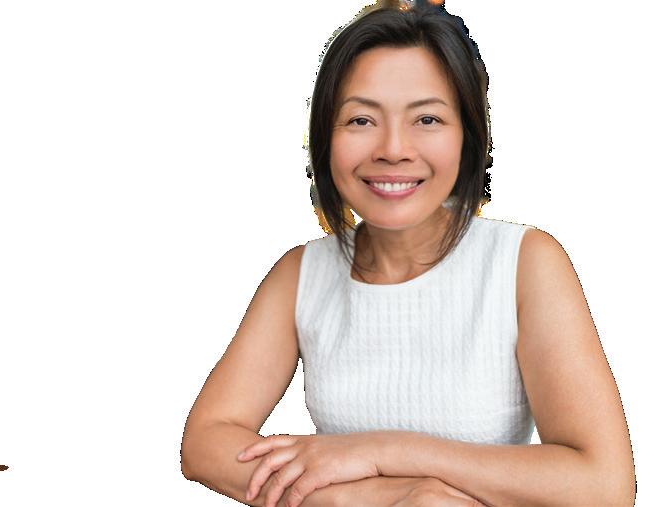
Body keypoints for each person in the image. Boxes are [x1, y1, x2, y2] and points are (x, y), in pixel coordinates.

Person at [181, 1, 636, 506]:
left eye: (427, 118)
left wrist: (382, 452)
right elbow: (206, 443)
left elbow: (602, 485)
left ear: (467, 136)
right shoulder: (301, 273)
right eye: (360, 120)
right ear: (324, 139)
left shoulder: (524, 263)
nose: (394, 149)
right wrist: (375, 498)